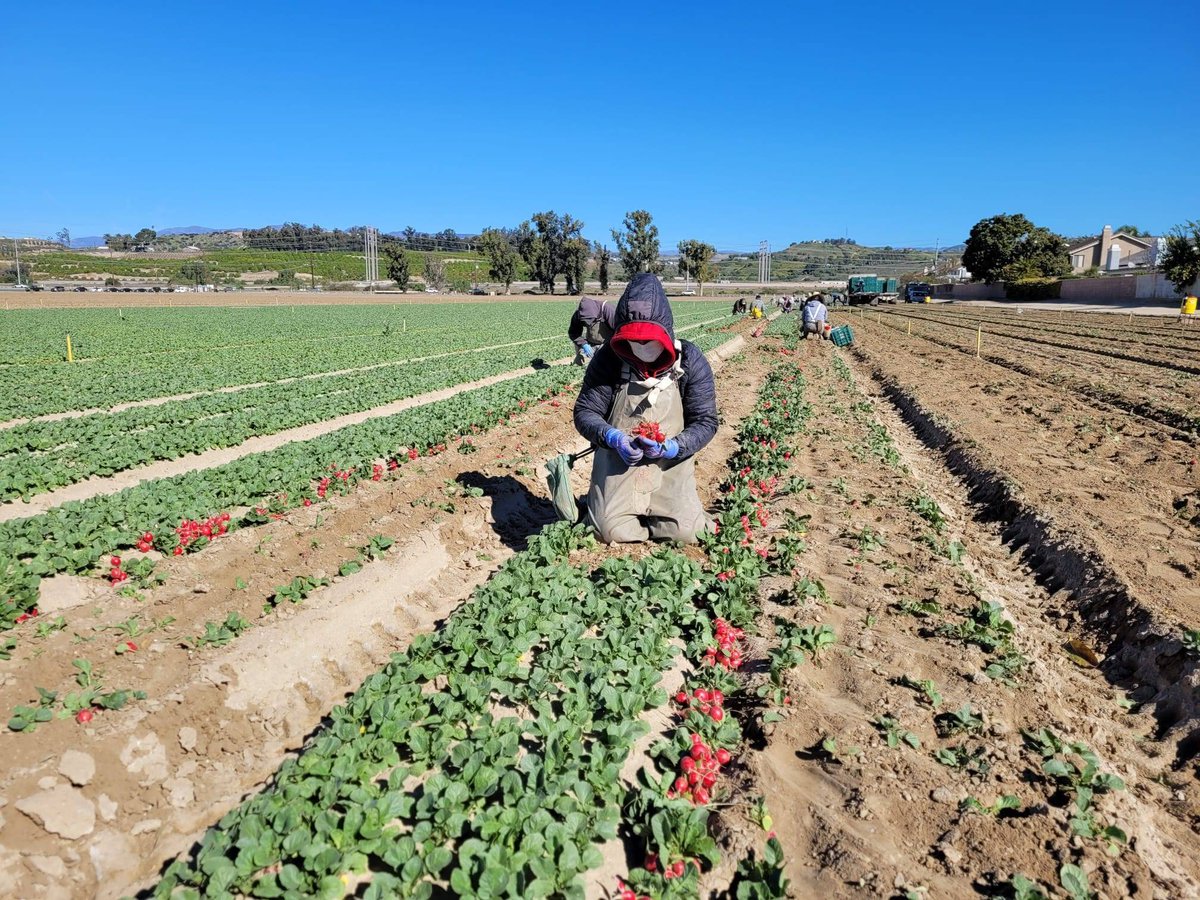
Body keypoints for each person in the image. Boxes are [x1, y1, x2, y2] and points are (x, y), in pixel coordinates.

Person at [573, 273, 718, 543]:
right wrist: (612, 437)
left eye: (648, 340)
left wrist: (673, 447)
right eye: (634, 341)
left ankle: (667, 511)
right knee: (608, 532)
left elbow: (706, 420)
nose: (641, 347)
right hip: (620, 460)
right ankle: (614, 508)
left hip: (669, 463)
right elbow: (585, 411)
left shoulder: (690, 360)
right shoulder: (609, 359)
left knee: (687, 533)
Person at [568, 295, 616, 365]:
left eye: (590, 319)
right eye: (585, 320)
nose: (588, 323)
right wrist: (584, 344)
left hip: (608, 344)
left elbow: (619, 330)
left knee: (605, 365)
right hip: (590, 344)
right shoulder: (578, 315)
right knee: (580, 363)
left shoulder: (607, 310)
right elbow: (573, 333)